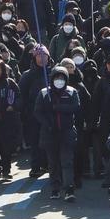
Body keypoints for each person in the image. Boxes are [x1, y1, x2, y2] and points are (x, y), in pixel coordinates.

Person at [35, 65, 81, 202]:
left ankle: (69, 189)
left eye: (62, 78)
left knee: (66, 161)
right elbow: (37, 112)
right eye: (56, 77)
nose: (59, 80)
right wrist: (47, 123)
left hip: (66, 132)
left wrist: (58, 107)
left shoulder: (72, 92)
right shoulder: (44, 93)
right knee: (53, 162)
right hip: (50, 132)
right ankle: (55, 188)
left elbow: (76, 107)